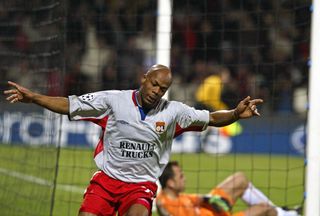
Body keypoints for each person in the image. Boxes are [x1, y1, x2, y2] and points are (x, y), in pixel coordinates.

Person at [4, 64, 263, 216]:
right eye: (154, 85)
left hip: (140, 186)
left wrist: (235, 113)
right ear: (144, 79)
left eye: (162, 89)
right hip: (106, 180)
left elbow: (211, 118)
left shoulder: (173, 112)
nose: (157, 91)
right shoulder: (113, 100)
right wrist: (35, 97)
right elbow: (70, 105)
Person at [157, 161, 301, 216]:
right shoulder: (165, 203)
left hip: (212, 210)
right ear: (171, 183)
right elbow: (162, 208)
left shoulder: (179, 196)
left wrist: (212, 199)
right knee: (263, 208)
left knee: (240, 179)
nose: (185, 178)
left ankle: (282, 212)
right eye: (181, 176)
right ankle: (288, 214)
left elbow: (199, 198)